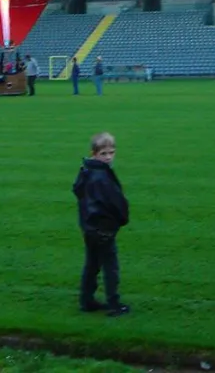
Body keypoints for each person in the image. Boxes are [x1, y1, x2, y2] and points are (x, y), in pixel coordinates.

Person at [72, 132, 130, 316]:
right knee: (110, 266)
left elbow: (78, 191)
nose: (108, 157)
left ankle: (86, 300)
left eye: (111, 153)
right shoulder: (101, 177)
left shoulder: (87, 170)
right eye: (104, 153)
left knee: (92, 264)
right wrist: (120, 219)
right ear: (94, 153)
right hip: (102, 228)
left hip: (89, 227)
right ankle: (114, 303)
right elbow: (116, 203)